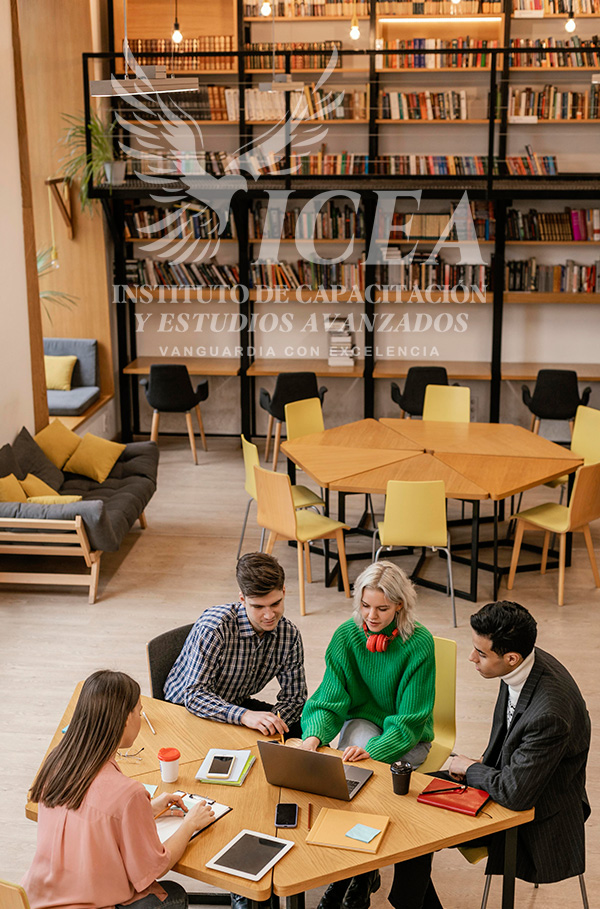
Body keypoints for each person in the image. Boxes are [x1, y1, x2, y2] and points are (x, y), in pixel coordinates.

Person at [390, 600, 591, 909]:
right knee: (409, 802)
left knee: (417, 828)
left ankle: (408, 904)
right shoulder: (523, 667)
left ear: (511, 657)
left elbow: (516, 794)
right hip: (510, 779)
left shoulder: (549, 712)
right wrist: (480, 766)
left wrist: (472, 770)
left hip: (534, 812)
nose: (472, 657)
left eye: (481, 654)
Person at [301, 561, 436, 909]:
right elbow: (329, 697)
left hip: (408, 736)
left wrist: (374, 751)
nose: (370, 617)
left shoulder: (419, 644)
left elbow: (409, 721)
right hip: (362, 722)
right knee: (349, 773)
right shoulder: (347, 635)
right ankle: (355, 871)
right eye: (364, 605)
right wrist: (313, 737)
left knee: (363, 776)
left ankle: (357, 875)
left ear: (400, 606)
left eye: (381, 608)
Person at [22, 670, 215, 909]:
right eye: (139, 712)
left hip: (37, 898)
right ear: (125, 718)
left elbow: (90, 816)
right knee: (173, 895)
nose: (141, 718)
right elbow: (153, 868)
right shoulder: (128, 793)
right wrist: (190, 824)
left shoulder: (58, 762)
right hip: (91, 903)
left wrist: (146, 808)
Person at [164, 551, 307, 739]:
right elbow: (194, 695)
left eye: (275, 603)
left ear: (284, 592)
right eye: (258, 607)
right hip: (184, 710)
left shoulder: (290, 635)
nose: (269, 615)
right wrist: (245, 716)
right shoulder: (215, 628)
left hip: (234, 705)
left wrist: (274, 725)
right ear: (242, 599)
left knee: (305, 732)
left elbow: (294, 698)